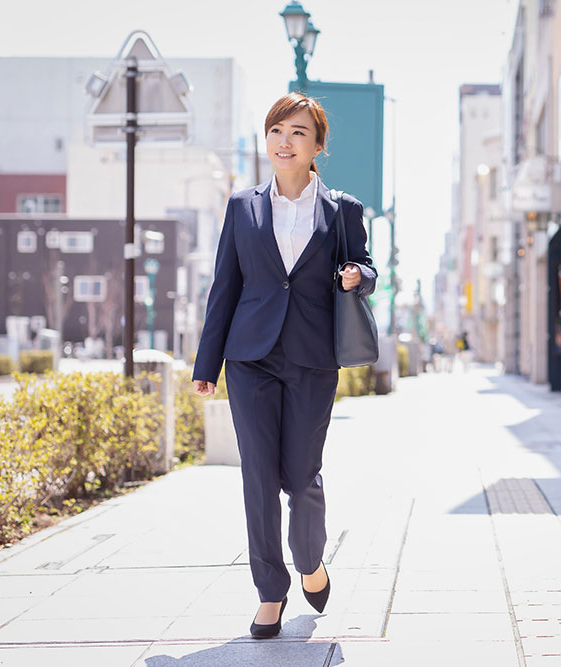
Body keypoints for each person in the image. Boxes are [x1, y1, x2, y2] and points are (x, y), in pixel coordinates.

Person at [191, 93, 376, 639]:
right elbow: (224, 287)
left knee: (301, 475)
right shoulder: (242, 206)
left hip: (313, 357)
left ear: (317, 145)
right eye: (276, 131)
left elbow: (367, 268)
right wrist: (208, 363)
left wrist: (355, 277)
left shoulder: (342, 209)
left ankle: (311, 560)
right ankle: (269, 591)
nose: (284, 141)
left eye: (298, 132)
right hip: (250, 357)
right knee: (258, 477)